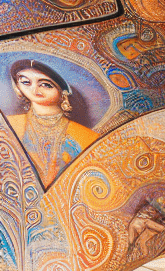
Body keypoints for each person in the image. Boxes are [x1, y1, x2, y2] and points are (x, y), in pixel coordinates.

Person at [7, 58, 98, 187]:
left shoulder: (87, 137)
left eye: (45, 84)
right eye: (26, 82)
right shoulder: (9, 126)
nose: (35, 89)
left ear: (63, 92)